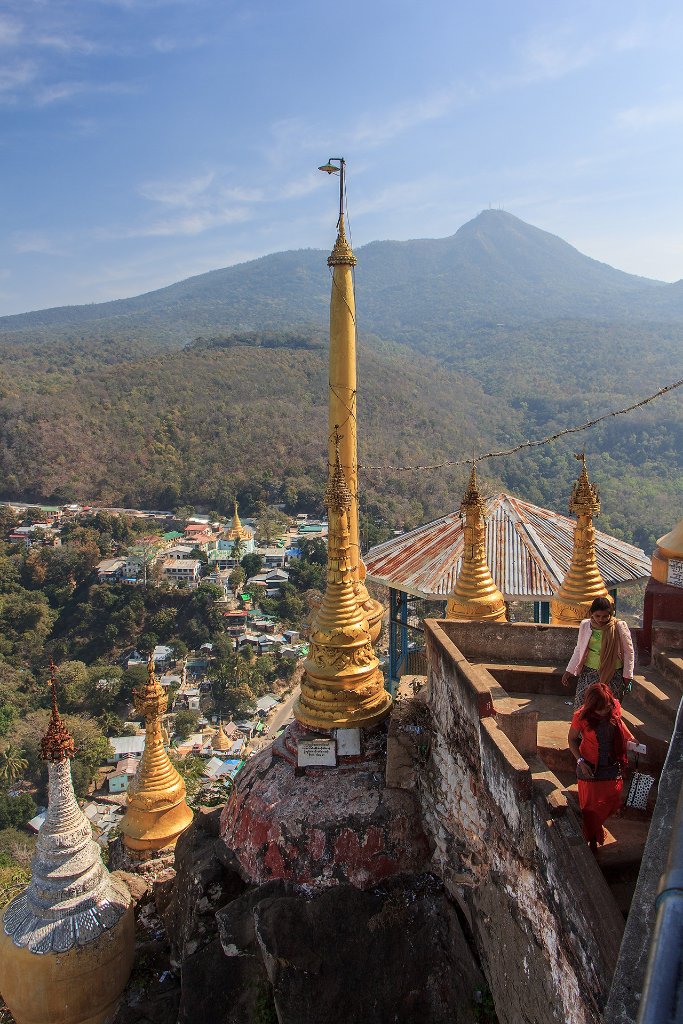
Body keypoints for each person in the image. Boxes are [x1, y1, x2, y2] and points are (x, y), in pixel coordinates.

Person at [568, 682, 634, 851]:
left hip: (611, 765)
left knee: (612, 800)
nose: (604, 711)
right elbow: (572, 739)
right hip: (589, 767)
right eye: (601, 709)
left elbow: (619, 722)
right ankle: (592, 841)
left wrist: (631, 739)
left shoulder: (614, 707)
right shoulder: (581, 716)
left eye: (606, 708)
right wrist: (580, 762)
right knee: (590, 809)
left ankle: (596, 830)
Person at [561, 596, 634, 710]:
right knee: (582, 705)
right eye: (597, 616)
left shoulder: (619, 626)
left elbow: (628, 652)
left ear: (611, 614)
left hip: (613, 672)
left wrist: (627, 677)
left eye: (605, 616)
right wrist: (569, 671)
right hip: (589, 671)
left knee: (610, 708)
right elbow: (579, 648)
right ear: (592, 614)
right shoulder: (585, 625)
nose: (601, 619)